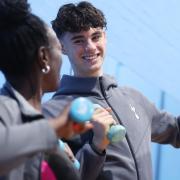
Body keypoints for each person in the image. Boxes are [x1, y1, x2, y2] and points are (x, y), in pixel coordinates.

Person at [42, 1, 180, 180]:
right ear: (62, 47)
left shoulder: (133, 98)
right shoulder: (54, 113)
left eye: (96, 36)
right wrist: (97, 146)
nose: (90, 46)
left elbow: (176, 131)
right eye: (78, 40)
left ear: (105, 38)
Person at [0, 0, 94, 179]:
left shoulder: (41, 124)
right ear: (44, 57)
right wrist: (56, 128)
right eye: (59, 49)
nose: (62, 60)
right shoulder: (4, 109)